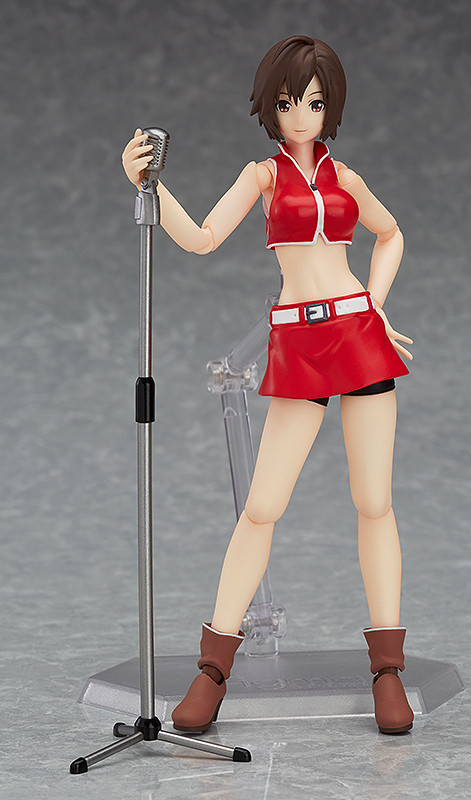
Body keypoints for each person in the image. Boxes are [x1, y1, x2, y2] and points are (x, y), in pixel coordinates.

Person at [122, 35, 415, 735]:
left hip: (358, 335)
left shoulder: (346, 177)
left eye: (312, 102)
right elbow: (202, 238)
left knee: (374, 503)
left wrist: (376, 302)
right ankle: (213, 670)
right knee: (261, 507)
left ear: (329, 106)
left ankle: (387, 671)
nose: (301, 115)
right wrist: (149, 190)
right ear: (270, 107)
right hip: (303, 344)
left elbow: (392, 233)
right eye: (287, 103)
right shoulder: (262, 177)